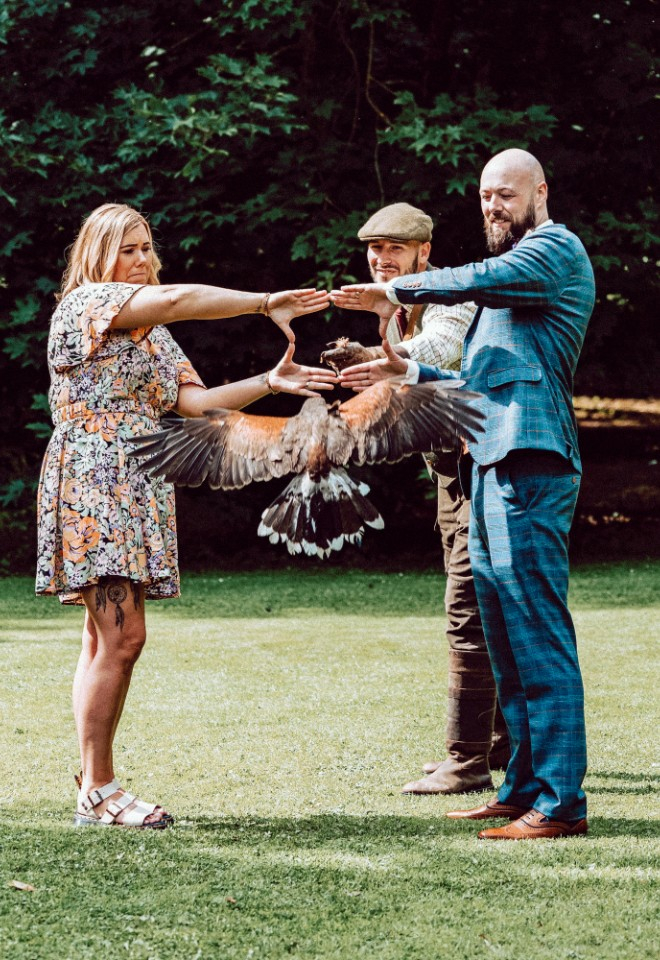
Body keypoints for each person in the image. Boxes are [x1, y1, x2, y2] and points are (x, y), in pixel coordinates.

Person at [36, 202, 336, 829]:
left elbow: (196, 404)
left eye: (147, 247)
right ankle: (99, 789)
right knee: (124, 637)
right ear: (96, 255)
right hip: (95, 479)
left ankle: (94, 782)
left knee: (102, 638)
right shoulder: (88, 305)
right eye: (128, 249)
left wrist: (270, 381)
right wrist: (264, 301)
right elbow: (175, 300)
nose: (142, 260)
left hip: (139, 478)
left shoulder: (152, 334)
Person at [333, 148, 595, 839]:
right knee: (504, 638)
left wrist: (399, 290)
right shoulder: (503, 292)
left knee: (537, 634)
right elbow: (475, 383)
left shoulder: (552, 251)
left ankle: (561, 804)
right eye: (484, 197)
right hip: (488, 460)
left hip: (532, 457)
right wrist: (403, 369)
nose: (493, 206)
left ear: (540, 190)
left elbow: (480, 276)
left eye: (505, 194)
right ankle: (520, 789)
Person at [333, 202, 509, 795]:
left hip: (480, 468)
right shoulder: (400, 311)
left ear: (423, 254)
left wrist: (377, 362)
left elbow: (434, 353)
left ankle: (466, 760)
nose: (382, 260)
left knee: (467, 611)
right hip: (450, 472)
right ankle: (500, 743)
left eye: (395, 251)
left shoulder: (448, 299)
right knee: (486, 608)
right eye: (375, 250)